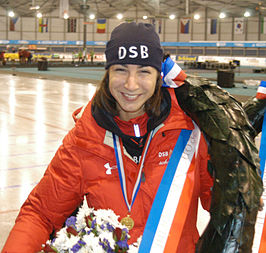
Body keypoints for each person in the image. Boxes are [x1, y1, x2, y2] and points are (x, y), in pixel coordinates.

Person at [3, 22, 219, 252]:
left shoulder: (190, 132)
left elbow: (225, 206)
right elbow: (40, 213)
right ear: (108, 73)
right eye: (121, 69)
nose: (131, 84)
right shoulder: (83, 139)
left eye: (144, 71)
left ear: (159, 76)